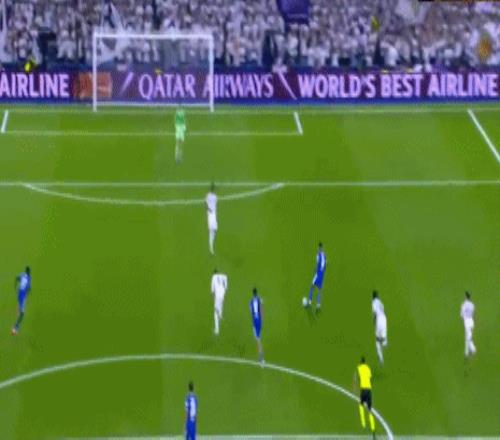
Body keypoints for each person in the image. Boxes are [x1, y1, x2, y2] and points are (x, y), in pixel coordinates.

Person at [354, 356, 376, 437]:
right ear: (365, 362)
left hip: (363, 390)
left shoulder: (359, 368)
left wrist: (355, 387)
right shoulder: (368, 368)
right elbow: (370, 378)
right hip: (369, 390)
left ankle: (363, 424)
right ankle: (373, 429)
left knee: (361, 405)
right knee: (370, 410)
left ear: (360, 362)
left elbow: (356, 378)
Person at [12, 266, 31, 335]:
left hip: (20, 294)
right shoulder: (29, 278)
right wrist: (27, 295)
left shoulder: (22, 274)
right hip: (22, 296)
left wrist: (15, 287)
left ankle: (16, 326)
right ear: (28, 272)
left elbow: (16, 278)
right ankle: (15, 327)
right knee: (22, 313)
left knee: (21, 311)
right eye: (29, 271)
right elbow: (29, 288)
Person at [306, 242, 326, 309]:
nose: (318, 249)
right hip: (322, 274)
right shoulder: (324, 255)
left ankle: (309, 302)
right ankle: (318, 305)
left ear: (319, 248)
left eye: (319, 248)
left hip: (318, 273)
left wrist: (315, 269)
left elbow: (318, 264)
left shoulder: (318, 255)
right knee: (319, 289)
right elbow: (324, 265)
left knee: (312, 286)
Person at [372, 291, 388, 364]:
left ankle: (381, 359)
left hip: (379, 319)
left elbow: (375, 314)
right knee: (383, 339)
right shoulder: (381, 302)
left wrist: (374, 322)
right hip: (384, 318)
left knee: (377, 341)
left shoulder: (373, 303)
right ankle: (384, 342)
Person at [211, 268, 228, 335]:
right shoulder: (222, 276)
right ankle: (220, 315)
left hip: (218, 295)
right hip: (223, 294)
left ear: (214, 273)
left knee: (215, 313)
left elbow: (212, 291)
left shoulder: (213, 277)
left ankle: (217, 330)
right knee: (221, 303)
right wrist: (225, 288)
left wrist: (213, 298)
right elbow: (226, 278)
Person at [460, 291, 476, 357]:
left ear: (465, 297)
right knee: (469, 336)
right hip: (471, 321)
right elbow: (473, 314)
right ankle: (467, 352)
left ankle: (472, 350)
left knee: (468, 337)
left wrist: (463, 318)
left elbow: (462, 315)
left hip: (466, 321)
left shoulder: (463, 305)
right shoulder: (472, 305)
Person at [250, 288, 264, 363]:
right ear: (256, 293)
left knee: (258, 339)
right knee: (258, 338)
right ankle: (260, 355)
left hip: (255, 321)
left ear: (253, 293)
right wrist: (262, 319)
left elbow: (251, 311)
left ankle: (261, 356)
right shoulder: (260, 300)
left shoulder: (251, 301)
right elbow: (261, 309)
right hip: (259, 321)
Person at [206, 183, 218, 255]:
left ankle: (211, 245)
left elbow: (215, 205)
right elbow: (205, 203)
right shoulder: (208, 195)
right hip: (210, 214)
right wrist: (209, 209)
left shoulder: (215, 196)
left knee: (215, 230)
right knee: (211, 231)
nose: (213, 189)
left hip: (214, 214)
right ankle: (211, 249)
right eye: (213, 188)